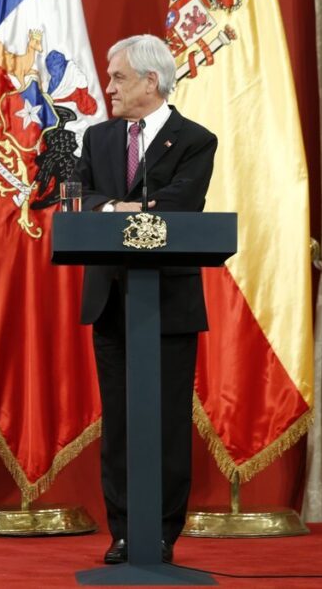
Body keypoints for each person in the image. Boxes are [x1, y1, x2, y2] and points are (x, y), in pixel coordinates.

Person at [70, 34, 217, 565]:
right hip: (111, 300)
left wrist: (115, 209)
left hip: (168, 302)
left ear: (151, 82)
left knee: (167, 422)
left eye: (118, 78)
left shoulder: (195, 140)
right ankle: (124, 532)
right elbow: (79, 195)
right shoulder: (98, 138)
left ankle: (161, 533)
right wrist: (120, 208)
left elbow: (181, 204)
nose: (107, 87)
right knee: (120, 423)